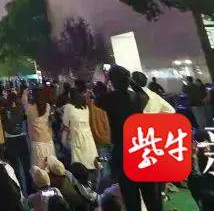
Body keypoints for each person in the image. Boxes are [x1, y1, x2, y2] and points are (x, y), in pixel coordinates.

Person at [97, 65, 156, 211]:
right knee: (151, 196)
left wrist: (106, 81)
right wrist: (131, 81)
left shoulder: (109, 99)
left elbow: (98, 99)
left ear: (112, 81)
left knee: (131, 198)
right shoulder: (138, 98)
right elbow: (144, 94)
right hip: (142, 148)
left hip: (123, 151)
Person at [2, 90, 33, 194]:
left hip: (10, 140)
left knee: (15, 169)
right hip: (21, 139)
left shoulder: (3, 110)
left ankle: (19, 191)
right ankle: (30, 190)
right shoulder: (21, 109)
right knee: (26, 167)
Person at [62, 89, 99, 169]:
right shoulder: (85, 107)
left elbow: (65, 125)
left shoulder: (68, 107)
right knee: (90, 162)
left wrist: (63, 140)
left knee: (78, 165)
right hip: (88, 138)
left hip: (76, 138)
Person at [26, 88, 56, 169]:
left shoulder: (30, 108)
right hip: (48, 139)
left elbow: (29, 127)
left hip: (37, 141)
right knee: (51, 166)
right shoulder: (47, 106)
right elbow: (49, 122)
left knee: (40, 168)